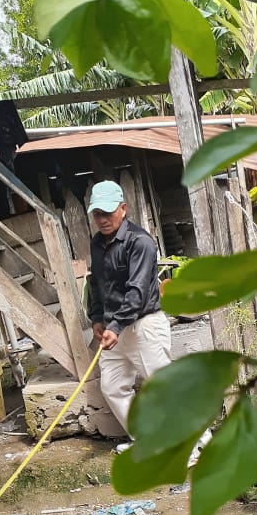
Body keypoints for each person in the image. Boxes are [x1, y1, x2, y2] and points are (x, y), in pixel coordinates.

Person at [87, 180, 172, 445]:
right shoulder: (97, 243)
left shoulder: (140, 242)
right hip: (114, 328)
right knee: (112, 387)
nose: (102, 219)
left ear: (123, 208)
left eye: (107, 212)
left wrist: (115, 325)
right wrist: (97, 318)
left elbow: (137, 291)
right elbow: (96, 283)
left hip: (143, 325)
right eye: (97, 214)